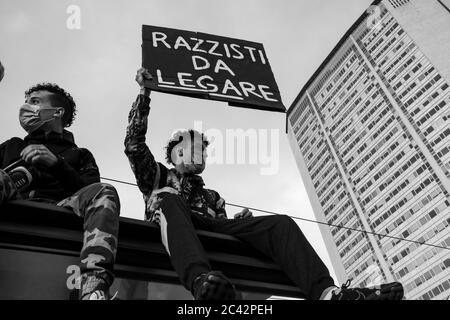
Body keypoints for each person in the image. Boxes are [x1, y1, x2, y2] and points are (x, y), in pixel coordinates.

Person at [124, 68, 404, 300]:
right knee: (169, 201)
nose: (203, 155)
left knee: (280, 224)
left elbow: (221, 233)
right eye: (196, 148)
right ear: (178, 152)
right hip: (174, 226)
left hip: (208, 231)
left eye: (204, 151)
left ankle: (328, 294)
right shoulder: (158, 176)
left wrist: (239, 223)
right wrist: (144, 94)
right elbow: (134, 145)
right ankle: (200, 281)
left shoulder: (212, 197)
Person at [0, 83, 120, 300]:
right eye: (26, 102)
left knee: (104, 190)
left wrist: (57, 165)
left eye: (35, 102)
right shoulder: (11, 146)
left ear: (57, 112)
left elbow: (92, 193)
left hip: (60, 207)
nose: (26, 107)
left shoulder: (80, 155)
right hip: (12, 204)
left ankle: (93, 287)